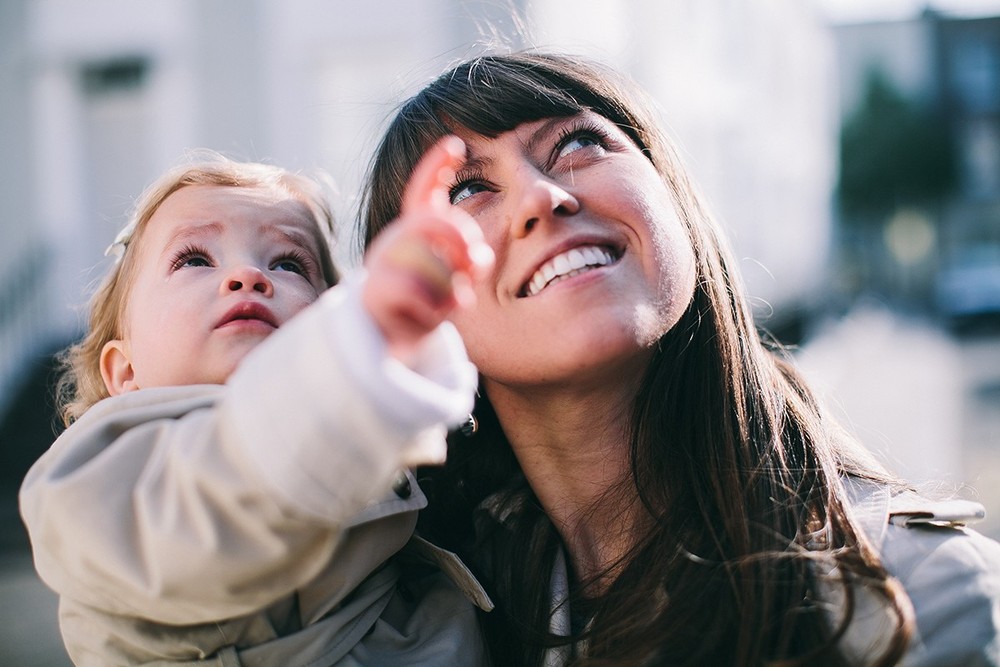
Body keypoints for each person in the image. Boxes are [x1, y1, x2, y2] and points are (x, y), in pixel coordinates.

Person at [359, 51, 1000, 666]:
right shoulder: (411, 624)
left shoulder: (917, 597)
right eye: (467, 188)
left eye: (578, 145)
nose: (540, 197)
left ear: (676, 201)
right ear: (419, 306)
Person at [20, 148, 495, 665]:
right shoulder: (97, 475)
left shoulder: (368, 442)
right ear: (125, 373)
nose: (247, 275)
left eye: (289, 263)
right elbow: (215, 510)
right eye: (195, 259)